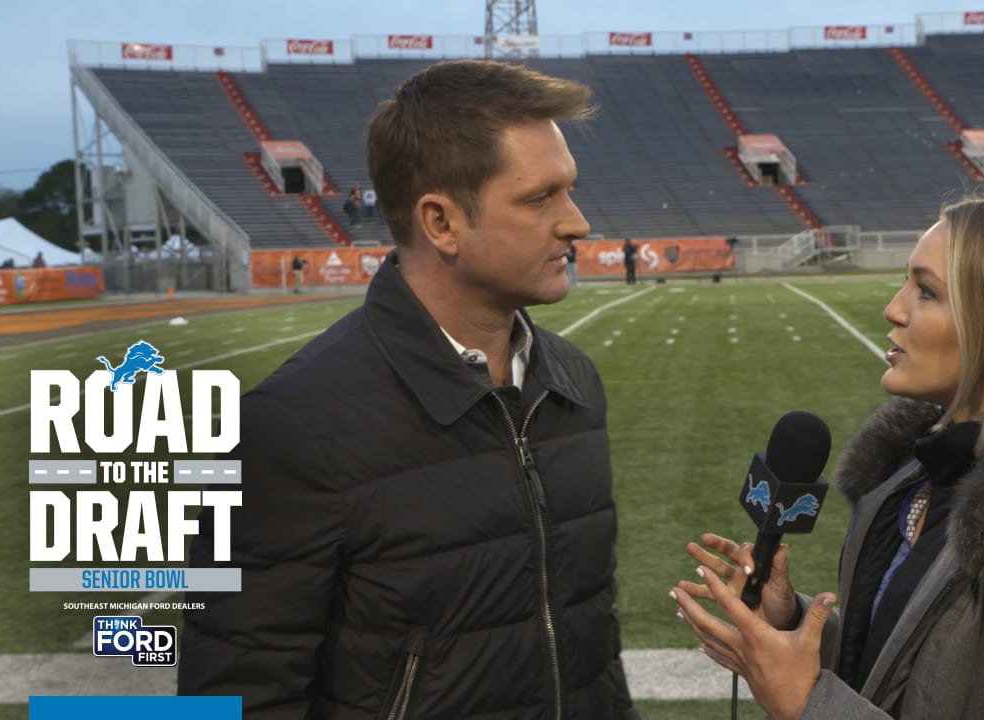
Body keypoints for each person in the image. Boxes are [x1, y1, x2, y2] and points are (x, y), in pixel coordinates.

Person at [180, 60, 640, 720]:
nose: (577, 223)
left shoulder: (572, 385)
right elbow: (238, 692)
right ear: (441, 222)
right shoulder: (292, 427)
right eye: (541, 198)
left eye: (568, 191)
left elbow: (592, 647)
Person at [671, 195, 984, 720]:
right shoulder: (924, 470)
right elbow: (907, 669)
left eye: (925, 291)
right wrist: (790, 625)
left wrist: (809, 703)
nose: (893, 309)